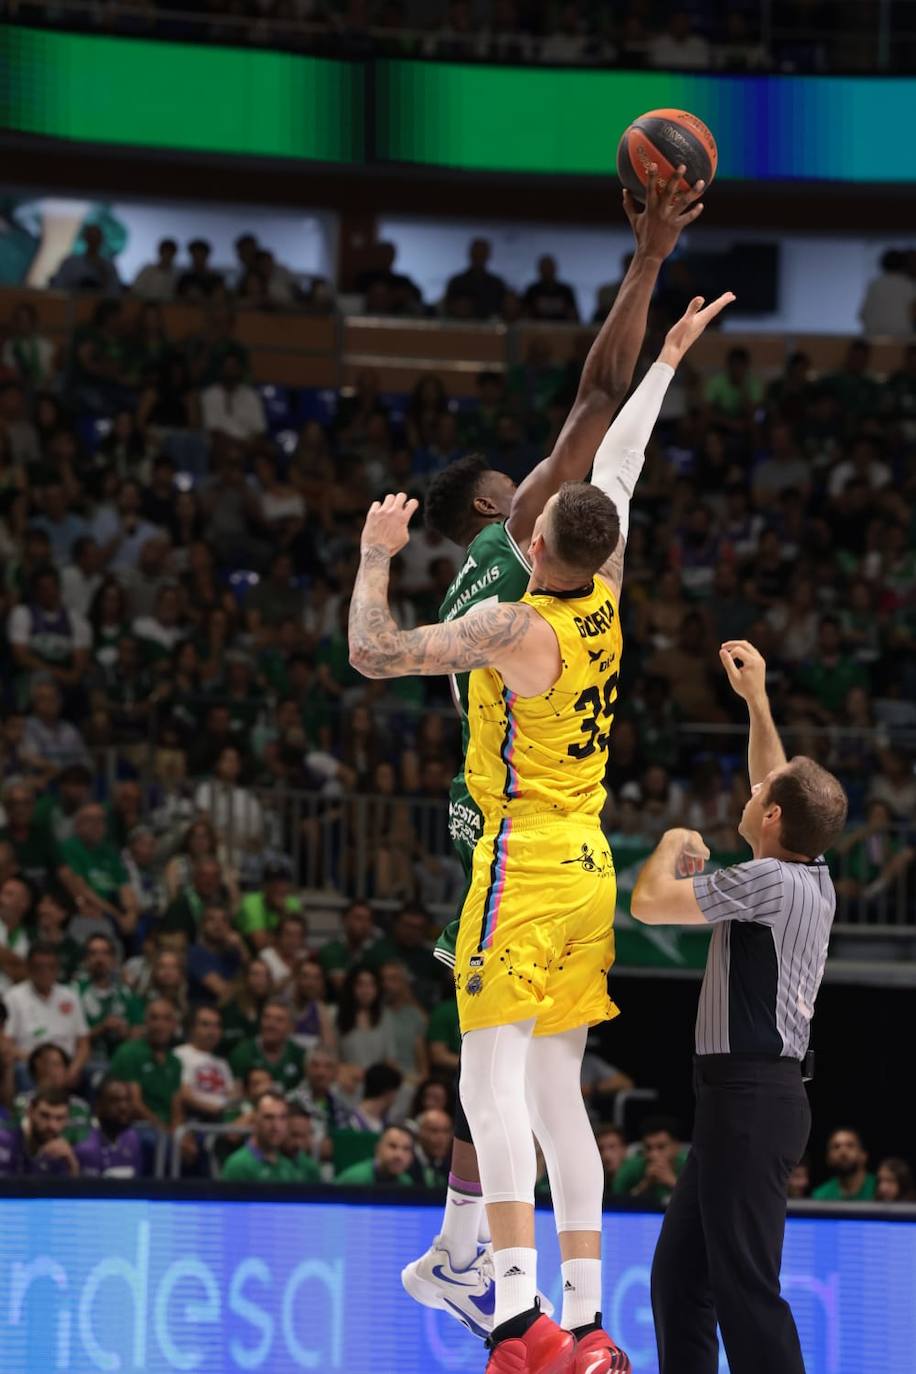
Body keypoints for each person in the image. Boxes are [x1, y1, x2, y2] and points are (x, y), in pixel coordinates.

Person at [384, 175, 720, 1363]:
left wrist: (646, 270)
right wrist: (648, 270)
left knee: (497, 1058)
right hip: (550, 829)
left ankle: (494, 1276)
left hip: (504, 825)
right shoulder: (535, 545)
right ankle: (539, 1292)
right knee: (536, 1071)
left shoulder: (502, 581)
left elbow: (598, 402)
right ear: (502, 505)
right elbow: (601, 411)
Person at [629, 640, 849, 1374]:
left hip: (750, 1097)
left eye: (758, 797)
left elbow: (650, 904)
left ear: (775, 818)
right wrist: (756, 701)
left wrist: (670, 843)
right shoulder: (804, 868)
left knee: (744, 1289)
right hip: (749, 1096)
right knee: (682, 1279)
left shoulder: (768, 882)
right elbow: (775, 783)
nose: (747, 795)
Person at [3, 944, 90, 1080]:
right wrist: (41, 1065)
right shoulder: (13, 997)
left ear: (58, 968)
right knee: (20, 1071)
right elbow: (6, 1042)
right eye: (39, 967)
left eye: (51, 967)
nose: (45, 972)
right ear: (29, 968)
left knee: (95, 1071)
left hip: (67, 1064)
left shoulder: (70, 996)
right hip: (30, 1064)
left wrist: (74, 1068)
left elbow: (84, 1043)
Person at [108, 997, 183, 1133]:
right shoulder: (129, 1052)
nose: (160, 1025)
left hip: (165, 1131)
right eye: (154, 1018)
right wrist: (165, 1132)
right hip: (136, 1127)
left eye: (167, 1019)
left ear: (174, 1024)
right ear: (145, 1022)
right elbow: (134, 1105)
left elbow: (176, 1108)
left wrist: (180, 1135)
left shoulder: (175, 1062)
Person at [220, 1089, 311, 1183]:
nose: (276, 1126)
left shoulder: (288, 1166)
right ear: (254, 1119)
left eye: (282, 1118)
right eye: (268, 1117)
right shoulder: (238, 1166)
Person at [175, 1005, 237, 1123]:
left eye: (217, 1026)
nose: (212, 1031)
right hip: (195, 1119)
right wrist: (217, 1109)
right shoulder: (180, 1055)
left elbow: (231, 1095)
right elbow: (183, 1094)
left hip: (222, 1119)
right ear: (192, 1028)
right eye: (205, 1025)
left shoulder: (222, 1062)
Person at [228, 1000, 305, 1094]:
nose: (271, 1024)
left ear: (291, 1027)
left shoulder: (299, 1055)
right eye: (266, 1017)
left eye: (279, 1020)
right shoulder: (242, 1053)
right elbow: (235, 1097)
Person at [0, 1087, 80, 1176]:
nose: (52, 1125)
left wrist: (73, 1166)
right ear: (30, 1112)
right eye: (44, 1116)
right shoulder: (6, 1140)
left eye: (59, 1118)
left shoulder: (62, 1153)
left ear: (67, 1119)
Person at [74, 1078, 144, 1178]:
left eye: (127, 1100)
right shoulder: (85, 1145)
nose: (123, 1107)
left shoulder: (132, 1138)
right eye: (115, 1101)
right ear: (98, 1106)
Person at [611, 1117, 687, 1206]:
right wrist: (645, 1184)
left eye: (661, 1147)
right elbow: (615, 1204)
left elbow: (699, 1203)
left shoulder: (689, 1166)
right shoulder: (630, 1168)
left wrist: (672, 1182)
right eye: (648, 1148)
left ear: (676, 1147)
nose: (653, 1154)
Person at [858, 249, 916, 338]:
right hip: (902, 339)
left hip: (874, 338)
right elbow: (912, 314)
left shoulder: (875, 285)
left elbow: (863, 315)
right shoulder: (909, 286)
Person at [335, 1123, 416, 1186]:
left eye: (406, 1149)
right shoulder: (355, 1179)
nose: (398, 1155)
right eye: (392, 1146)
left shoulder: (406, 1182)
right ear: (378, 1148)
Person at [810, 1128, 877, 1202]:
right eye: (836, 1147)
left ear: (863, 1155)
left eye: (850, 1145)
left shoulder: (879, 1188)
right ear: (828, 1158)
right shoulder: (820, 1196)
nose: (843, 1151)